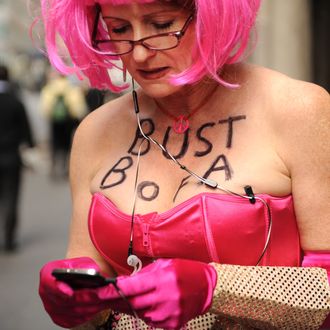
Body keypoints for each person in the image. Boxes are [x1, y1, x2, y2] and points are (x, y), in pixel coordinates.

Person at [37, 0, 330, 329]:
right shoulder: (95, 131)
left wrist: (214, 288)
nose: (139, 54)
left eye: (162, 25)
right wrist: (71, 296)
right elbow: (90, 280)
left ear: (211, 14)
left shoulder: (299, 109)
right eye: (119, 29)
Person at [0, 64, 35, 251]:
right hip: (11, 157)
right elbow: (26, 129)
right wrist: (30, 145)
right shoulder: (15, 101)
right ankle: (9, 238)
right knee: (11, 197)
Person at [40, 71, 87, 178]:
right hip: (68, 121)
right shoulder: (71, 88)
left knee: (55, 143)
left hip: (55, 121)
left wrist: (49, 114)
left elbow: (45, 106)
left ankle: (54, 165)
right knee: (66, 144)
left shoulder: (50, 87)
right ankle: (65, 166)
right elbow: (78, 106)